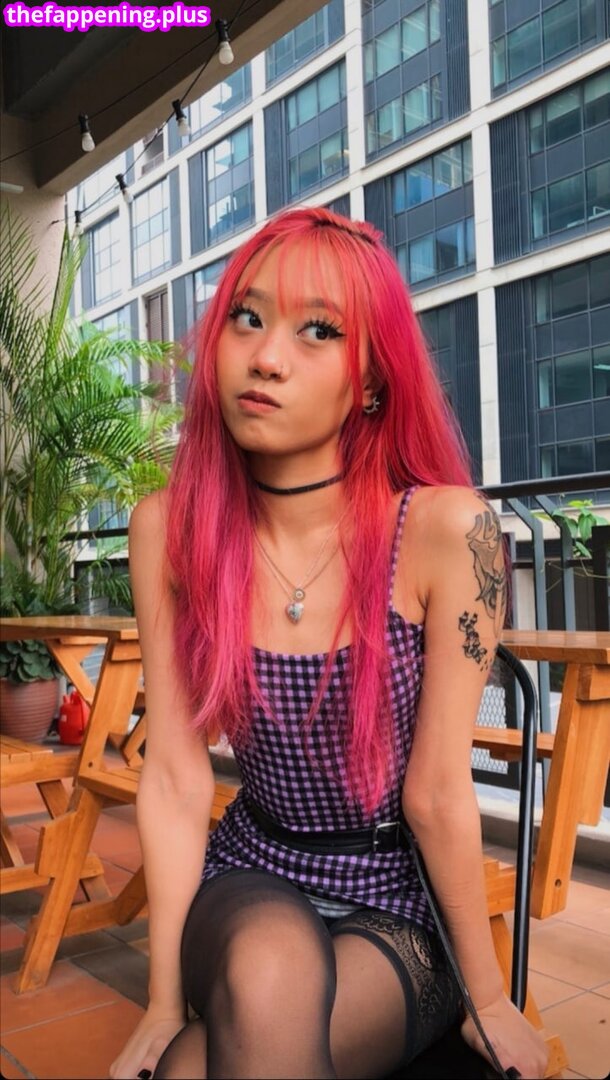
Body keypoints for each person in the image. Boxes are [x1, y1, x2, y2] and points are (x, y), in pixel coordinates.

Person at [110, 207, 548, 1080]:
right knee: (266, 968)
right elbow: (174, 777)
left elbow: (436, 791)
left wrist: (492, 999)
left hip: (398, 902)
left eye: (319, 331)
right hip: (251, 875)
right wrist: (160, 1006)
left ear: (372, 380)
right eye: (247, 317)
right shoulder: (171, 530)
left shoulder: (447, 531)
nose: (267, 357)